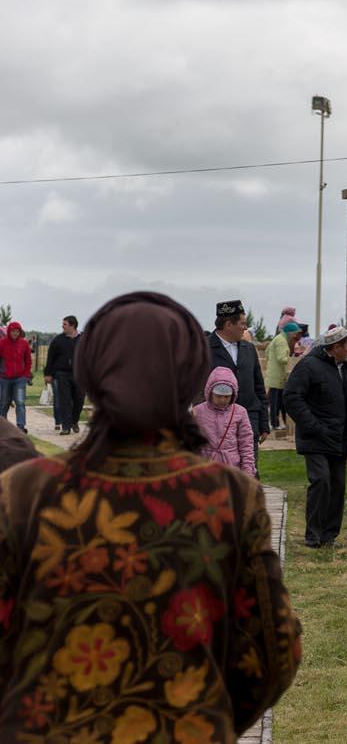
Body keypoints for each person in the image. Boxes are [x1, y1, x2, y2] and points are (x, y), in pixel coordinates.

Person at [0, 291, 301, 738]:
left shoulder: (24, 491)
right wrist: (203, 719)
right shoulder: (227, 496)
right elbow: (271, 652)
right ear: (187, 378)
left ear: (91, 373)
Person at [282, 326, 347, 549]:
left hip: (339, 438)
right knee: (321, 481)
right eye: (346, 346)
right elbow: (292, 397)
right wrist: (313, 426)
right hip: (316, 438)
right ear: (334, 348)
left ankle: (329, 534)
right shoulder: (309, 366)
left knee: (338, 485)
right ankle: (313, 533)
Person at [206, 300, 268, 463]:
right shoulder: (203, 349)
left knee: (250, 469)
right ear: (228, 324)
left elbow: (259, 387)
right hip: (216, 422)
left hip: (249, 417)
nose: (245, 328)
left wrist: (264, 423)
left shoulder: (249, 349)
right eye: (242, 323)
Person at [43, 314, 82, 435]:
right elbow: (50, 358)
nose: (62, 326)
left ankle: (74, 421)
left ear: (73, 325)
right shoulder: (58, 340)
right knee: (64, 400)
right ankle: (66, 426)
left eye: (65, 324)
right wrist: (48, 373)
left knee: (79, 400)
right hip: (62, 374)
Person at [264, 321, 304, 432]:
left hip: (274, 376)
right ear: (290, 333)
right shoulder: (282, 341)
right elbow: (282, 359)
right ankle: (274, 424)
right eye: (295, 333)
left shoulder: (278, 338)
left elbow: (267, 352)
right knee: (275, 403)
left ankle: (276, 423)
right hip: (277, 378)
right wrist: (293, 357)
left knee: (277, 402)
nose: (296, 336)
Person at [0, 321, 31, 433]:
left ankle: (21, 427)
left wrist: (26, 375)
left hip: (20, 378)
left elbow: (28, 360)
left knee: (20, 402)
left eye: (17, 331)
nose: (15, 333)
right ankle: (2, 425)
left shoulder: (24, 344)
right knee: (4, 402)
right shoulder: (2, 343)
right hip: (4, 378)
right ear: (9, 331)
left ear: (20, 332)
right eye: (13, 331)